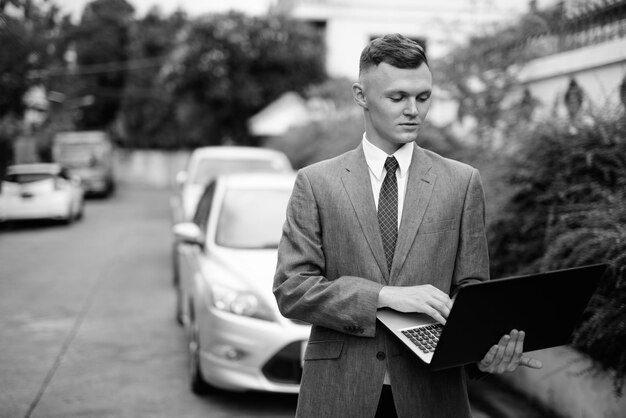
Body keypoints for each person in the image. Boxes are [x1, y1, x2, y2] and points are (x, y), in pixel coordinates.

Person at [273, 34, 542, 418]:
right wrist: (384, 296)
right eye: (397, 98)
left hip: (432, 396)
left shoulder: (462, 182)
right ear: (361, 96)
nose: (413, 110)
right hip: (338, 395)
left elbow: (470, 294)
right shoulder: (316, 183)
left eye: (423, 97)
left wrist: (484, 355)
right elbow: (292, 289)